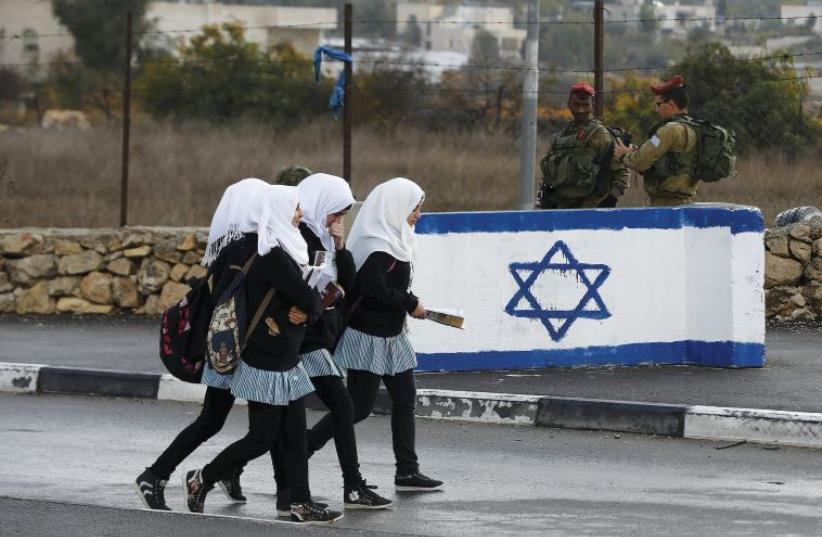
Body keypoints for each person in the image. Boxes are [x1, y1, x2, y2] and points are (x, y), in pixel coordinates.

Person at [182, 182, 344, 524]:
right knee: (262, 437)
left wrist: (309, 307)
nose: (301, 215)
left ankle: (300, 502)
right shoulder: (272, 255)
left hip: (286, 354)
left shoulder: (287, 248)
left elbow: (316, 297)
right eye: (296, 209)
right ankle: (203, 478)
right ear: (281, 212)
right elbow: (309, 297)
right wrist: (310, 307)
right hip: (266, 357)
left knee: (296, 435)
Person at [134, 178, 277, 511]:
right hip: (235, 351)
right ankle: (158, 475)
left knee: (214, 421)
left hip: (228, 349)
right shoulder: (247, 248)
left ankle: (165, 474)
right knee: (244, 427)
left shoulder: (230, 246)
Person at [308, 177, 444, 492]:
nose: (418, 214)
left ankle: (407, 471)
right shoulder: (377, 244)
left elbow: (391, 287)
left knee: (405, 400)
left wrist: (408, 305)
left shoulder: (398, 239)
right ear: (395, 207)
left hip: (393, 336)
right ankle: (303, 447)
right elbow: (372, 289)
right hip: (367, 337)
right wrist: (411, 304)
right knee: (357, 407)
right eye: (414, 207)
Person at [271, 173, 393, 515]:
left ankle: (314, 489)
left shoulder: (323, 237)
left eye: (343, 216)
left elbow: (351, 288)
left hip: (317, 336)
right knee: (336, 407)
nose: (338, 221)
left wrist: (340, 246)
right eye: (334, 214)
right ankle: (342, 487)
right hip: (304, 339)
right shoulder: (301, 236)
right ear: (319, 204)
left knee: (325, 412)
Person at [537, 82, 631, 209]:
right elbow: (549, 173)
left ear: (592, 106)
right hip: (562, 204)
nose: (581, 110)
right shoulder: (559, 137)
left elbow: (622, 171)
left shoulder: (599, 134)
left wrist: (610, 199)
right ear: (569, 105)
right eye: (576, 105)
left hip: (591, 205)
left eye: (585, 105)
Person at [612, 74, 700, 207]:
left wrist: (624, 154)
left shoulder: (669, 130)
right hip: (685, 202)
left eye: (658, 105)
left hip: (664, 204)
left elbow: (640, 162)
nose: (656, 110)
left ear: (671, 104)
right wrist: (637, 151)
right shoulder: (694, 128)